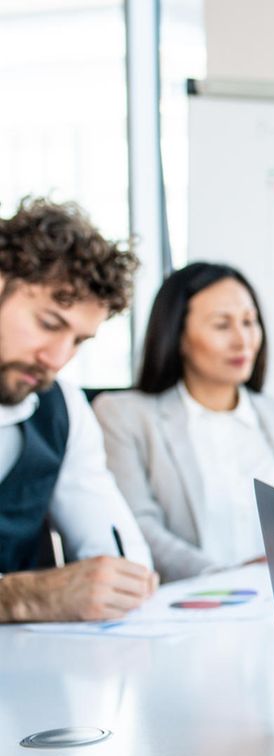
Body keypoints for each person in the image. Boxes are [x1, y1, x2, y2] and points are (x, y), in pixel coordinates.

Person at [93, 262, 274, 583]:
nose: (242, 340)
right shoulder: (125, 416)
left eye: (249, 322)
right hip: (191, 602)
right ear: (178, 335)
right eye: (222, 325)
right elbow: (139, 529)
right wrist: (227, 578)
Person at [0, 197, 158, 622]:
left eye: (78, 341)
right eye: (49, 324)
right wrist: (24, 596)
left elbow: (123, 555)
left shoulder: (63, 408)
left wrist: (120, 581)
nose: (57, 359)